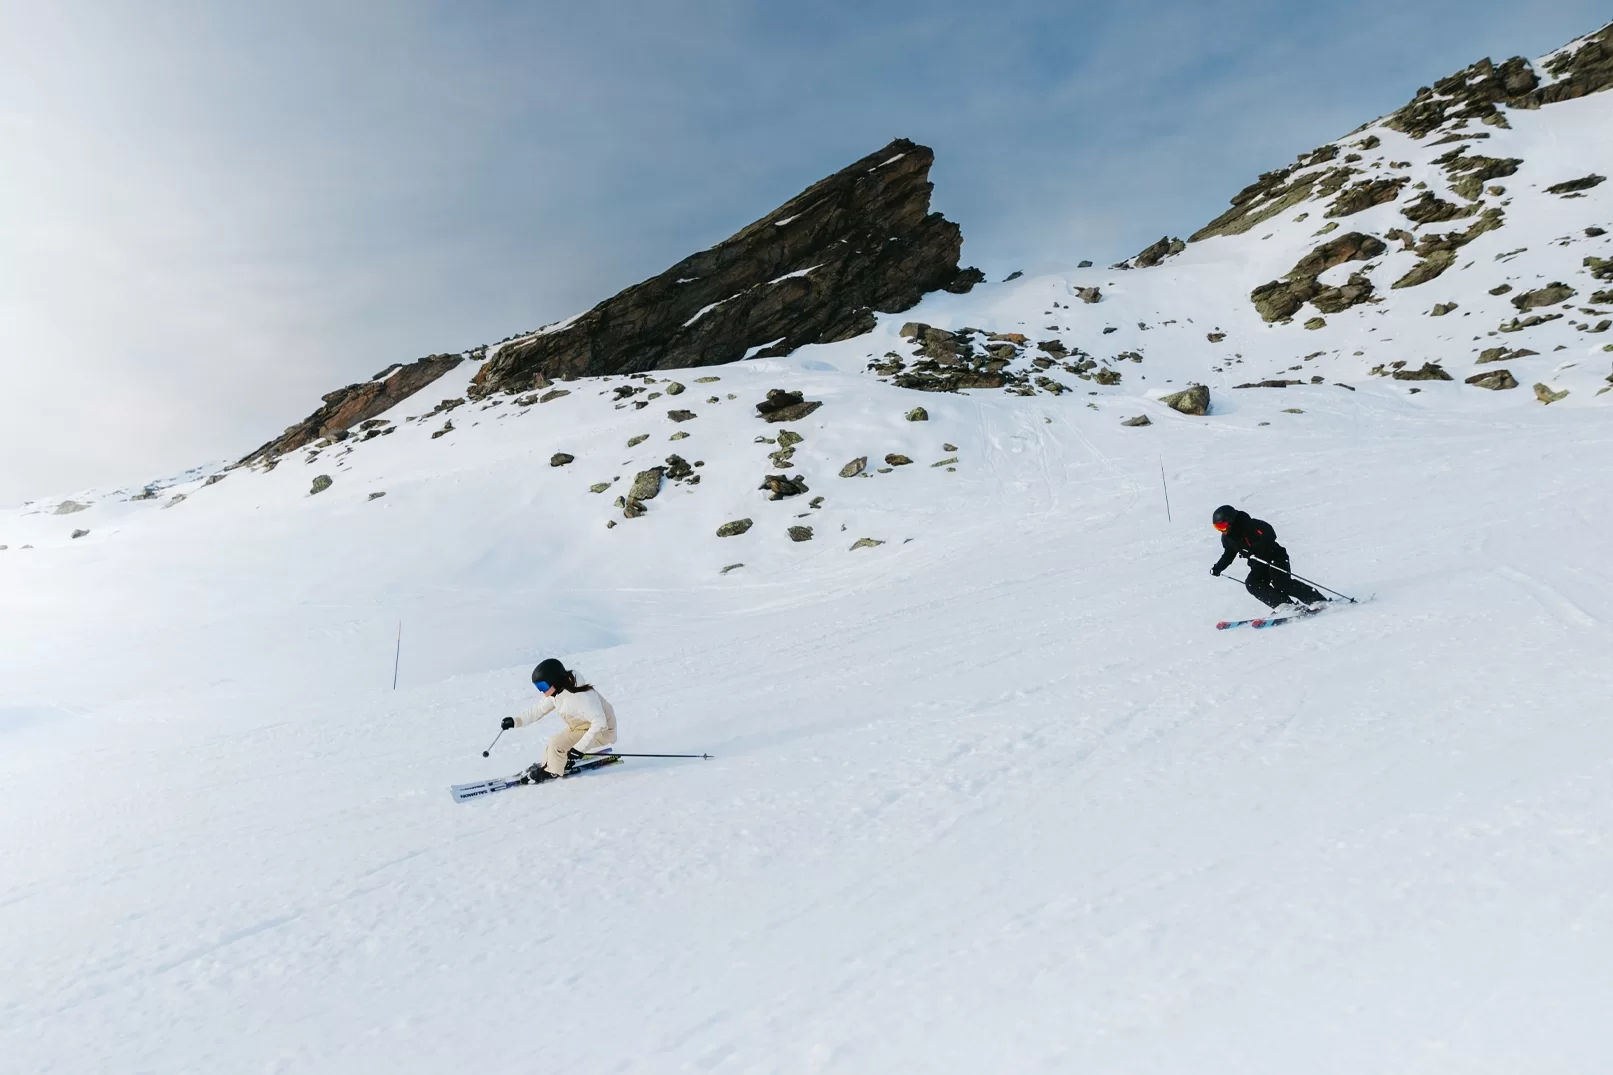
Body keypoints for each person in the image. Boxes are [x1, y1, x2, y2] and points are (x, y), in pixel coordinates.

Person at [499, 658, 618, 783]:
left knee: (557, 744)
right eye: (538, 686)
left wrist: (579, 749)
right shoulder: (559, 691)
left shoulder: (579, 697)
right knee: (553, 746)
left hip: (604, 731)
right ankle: (548, 764)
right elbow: (538, 710)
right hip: (582, 726)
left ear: (554, 681)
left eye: (543, 686)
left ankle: (552, 772)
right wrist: (516, 721)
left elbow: (600, 723)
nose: (541, 690)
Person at [1210, 504, 1327, 611]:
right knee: (1252, 583)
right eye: (1217, 527)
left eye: (1223, 526)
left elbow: (1270, 533)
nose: (1222, 530)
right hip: (1259, 564)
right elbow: (1228, 554)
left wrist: (1255, 550)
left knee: (1281, 582)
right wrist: (1218, 568)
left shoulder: (1250, 525)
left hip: (1275, 557)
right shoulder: (1228, 538)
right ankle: (1284, 605)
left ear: (1231, 521)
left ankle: (1316, 599)